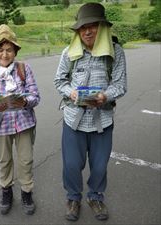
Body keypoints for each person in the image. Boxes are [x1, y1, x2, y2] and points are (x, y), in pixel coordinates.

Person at [54, 3, 127, 222]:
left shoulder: (115, 52)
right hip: (73, 120)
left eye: (93, 25)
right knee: (72, 165)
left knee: (100, 165)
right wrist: (72, 93)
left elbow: (120, 84)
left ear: (103, 27)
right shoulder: (69, 52)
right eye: (82, 27)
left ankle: (95, 196)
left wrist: (106, 96)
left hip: (102, 120)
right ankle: (73, 197)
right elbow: (60, 80)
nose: (87, 31)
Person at [0, 24, 40, 215]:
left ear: (15, 51)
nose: (5, 54)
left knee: (26, 161)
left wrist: (24, 102)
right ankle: (6, 191)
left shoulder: (24, 69)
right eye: (0, 49)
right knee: (4, 161)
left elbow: (36, 96)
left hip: (24, 123)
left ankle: (27, 192)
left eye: (9, 50)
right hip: (0, 126)